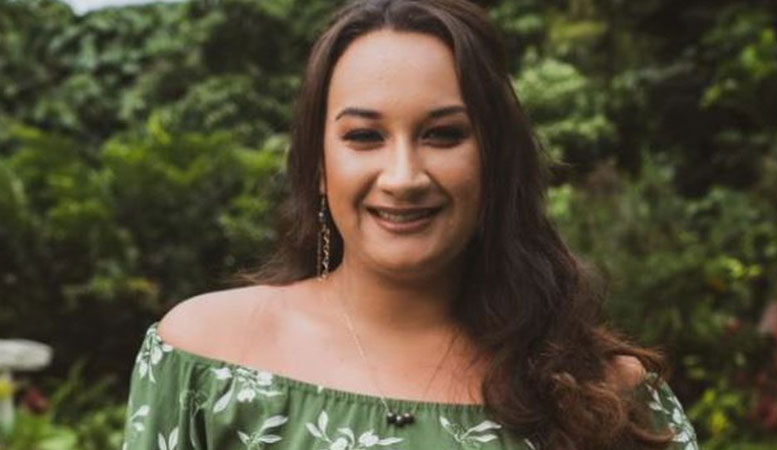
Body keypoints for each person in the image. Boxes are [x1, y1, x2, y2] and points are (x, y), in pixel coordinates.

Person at [121, 1, 699, 449]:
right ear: (319, 166)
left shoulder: (609, 398)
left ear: (494, 159)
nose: (403, 177)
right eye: (364, 136)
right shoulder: (205, 362)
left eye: (443, 134)